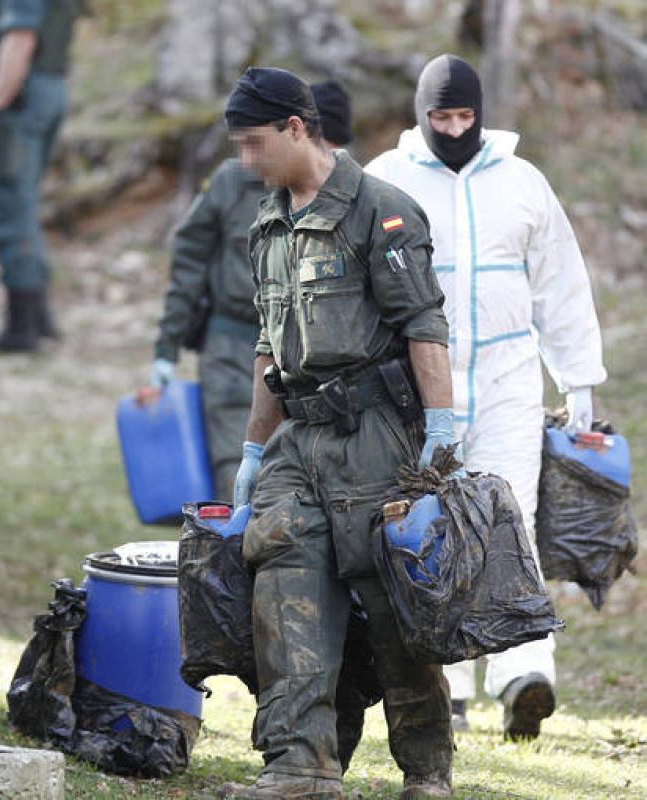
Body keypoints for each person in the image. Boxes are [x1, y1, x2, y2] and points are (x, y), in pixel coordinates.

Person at [220, 66, 455, 800]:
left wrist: (440, 429)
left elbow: (423, 324)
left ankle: (426, 770)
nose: (246, 161)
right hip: (299, 441)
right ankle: (301, 767)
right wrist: (253, 449)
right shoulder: (268, 224)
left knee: (393, 610)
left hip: (375, 439)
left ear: (296, 128)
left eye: (254, 143)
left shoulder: (380, 210)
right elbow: (268, 346)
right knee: (284, 593)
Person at [366, 53, 606, 740]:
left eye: (464, 116)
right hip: (417, 385)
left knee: (510, 521)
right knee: (430, 526)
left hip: (507, 380)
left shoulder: (521, 181)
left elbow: (559, 282)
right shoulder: (386, 179)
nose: (452, 129)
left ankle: (523, 674)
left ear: (480, 113)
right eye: (440, 117)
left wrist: (578, 378)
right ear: (421, 114)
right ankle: (447, 685)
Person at [151, 80, 353, 502]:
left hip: (309, 357)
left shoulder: (356, 195)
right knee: (235, 469)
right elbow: (189, 259)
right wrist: (167, 347)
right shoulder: (232, 182)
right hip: (231, 350)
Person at [0, 0, 84, 355]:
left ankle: (22, 329)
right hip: (45, 88)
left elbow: (20, 39)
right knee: (24, 205)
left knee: (11, 209)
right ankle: (39, 319)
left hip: (21, 96)